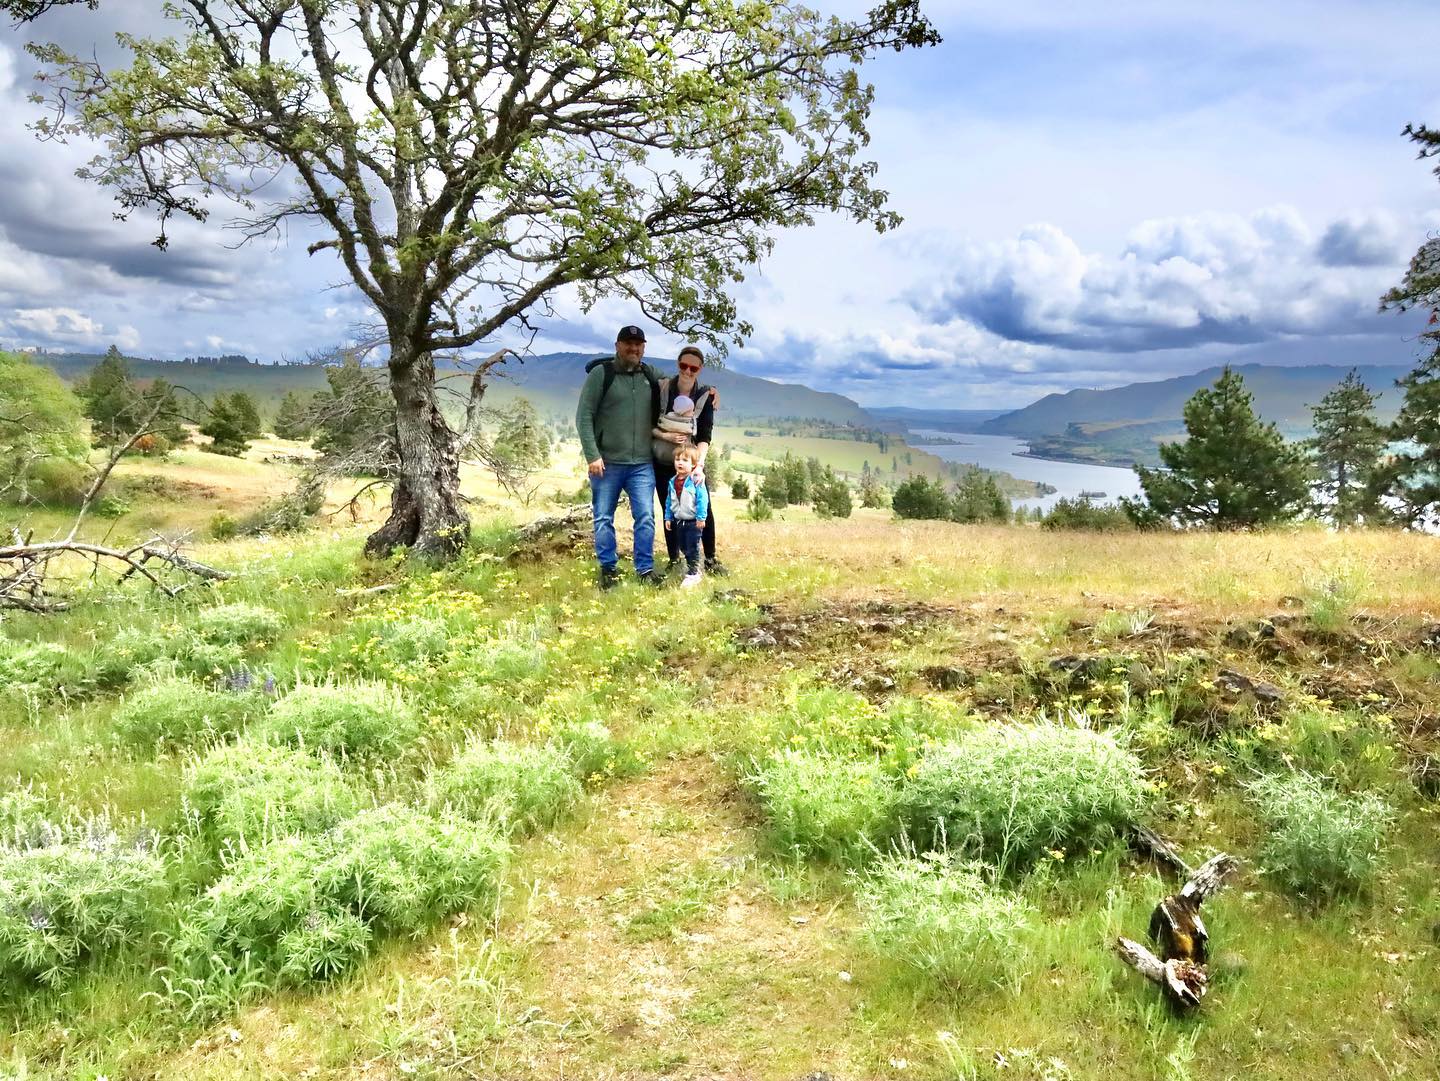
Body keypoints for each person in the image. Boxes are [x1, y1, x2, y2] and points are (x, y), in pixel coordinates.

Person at [576, 325, 664, 589]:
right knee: (603, 517)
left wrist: (709, 391)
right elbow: (584, 417)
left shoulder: (650, 374)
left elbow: (681, 385)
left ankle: (645, 570)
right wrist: (592, 455)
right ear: (617, 345)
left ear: (644, 347)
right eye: (628, 343)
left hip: (642, 465)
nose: (633, 348)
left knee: (646, 517)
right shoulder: (601, 375)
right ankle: (608, 569)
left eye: (638, 344)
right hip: (607, 463)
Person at [652, 345, 729, 577]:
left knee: (703, 509)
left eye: (693, 367)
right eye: (683, 365)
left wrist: (700, 465)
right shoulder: (663, 388)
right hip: (664, 462)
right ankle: (675, 559)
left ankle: (710, 558)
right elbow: (650, 425)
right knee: (671, 508)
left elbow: (705, 435)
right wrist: (666, 436)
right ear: (678, 364)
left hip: (692, 462)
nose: (687, 371)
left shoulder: (706, 395)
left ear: (700, 369)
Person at [663, 444, 710, 588]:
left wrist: (701, 517)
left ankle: (693, 573)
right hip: (679, 521)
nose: (680, 463)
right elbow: (669, 501)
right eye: (677, 459)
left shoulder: (696, 481)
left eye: (685, 460)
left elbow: (703, 499)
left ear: (693, 465)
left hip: (692, 522)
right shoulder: (672, 481)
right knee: (683, 546)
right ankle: (691, 567)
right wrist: (668, 517)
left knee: (692, 546)